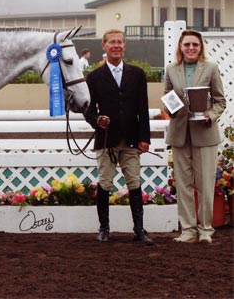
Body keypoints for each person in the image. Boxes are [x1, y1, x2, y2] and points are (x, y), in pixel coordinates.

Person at [84, 28, 153, 245]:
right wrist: (97, 120)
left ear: (124, 46)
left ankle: (139, 230)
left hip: (132, 139)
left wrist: (145, 138)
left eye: (120, 42)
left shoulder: (137, 74)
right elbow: (88, 109)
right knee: (105, 183)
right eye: (112, 42)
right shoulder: (94, 77)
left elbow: (143, 107)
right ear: (104, 46)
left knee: (134, 182)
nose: (116, 45)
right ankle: (104, 229)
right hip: (107, 140)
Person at [164, 30, 226, 244]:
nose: (191, 48)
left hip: (205, 134)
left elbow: (220, 101)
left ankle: (206, 229)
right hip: (180, 134)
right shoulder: (171, 69)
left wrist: (211, 115)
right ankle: (188, 230)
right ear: (181, 47)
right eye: (187, 44)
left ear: (200, 47)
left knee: (205, 183)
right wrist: (170, 107)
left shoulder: (211, 68)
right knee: (183, 184)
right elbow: (167, 97)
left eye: (195, 45)